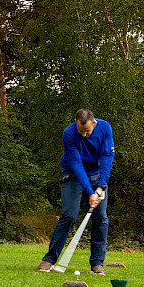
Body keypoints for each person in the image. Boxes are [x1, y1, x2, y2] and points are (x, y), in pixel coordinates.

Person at [38, 109, 115, 275]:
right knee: (69, 215)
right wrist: (90, 192)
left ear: (94, 124)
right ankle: (49, 259)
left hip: (96, 175)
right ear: (75, 123)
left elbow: (106, 157)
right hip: (72, 175)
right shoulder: (69, 133)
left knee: (101, 218)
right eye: (81, 131)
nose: (84, 135)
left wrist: (101, 186)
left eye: (87, 131)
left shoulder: (105, 128)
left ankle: (97, 264)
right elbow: (76, 164)